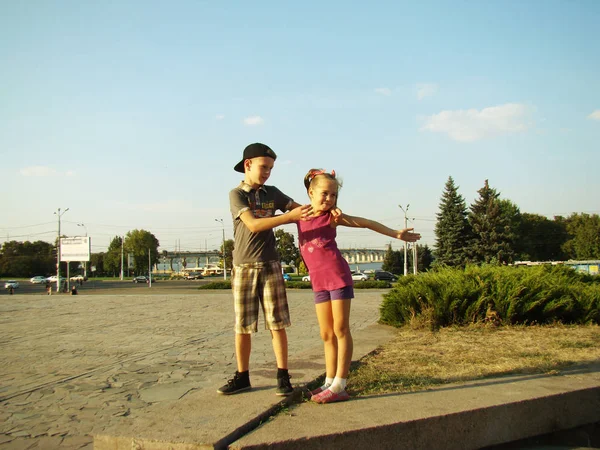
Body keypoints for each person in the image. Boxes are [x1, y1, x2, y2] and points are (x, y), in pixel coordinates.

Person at [295, 168, 421, 404]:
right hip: (319, 282)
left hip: (338, 278)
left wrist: (395, 233)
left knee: (341, 329)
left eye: (334, 195)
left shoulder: (333, 217)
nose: (329, 199)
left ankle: (340, 384)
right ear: (311, 192)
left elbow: (366, 223)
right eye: (324, 194)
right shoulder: (298, 213)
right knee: (326, 333)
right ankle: (328, 380)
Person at [218, 143, 311, 396]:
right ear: (247, 165)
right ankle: (242, 376)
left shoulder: (273, 193)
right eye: (264, 167)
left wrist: (322, 196)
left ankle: (283, 376)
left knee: (277, 323)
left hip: (271, 265)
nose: (268, 172)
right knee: (243, 325)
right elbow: (253, 225)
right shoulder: (237, 195)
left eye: (271, 168)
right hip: (244, 266)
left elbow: (302, 210)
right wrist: (289, 218)